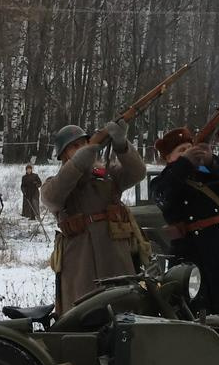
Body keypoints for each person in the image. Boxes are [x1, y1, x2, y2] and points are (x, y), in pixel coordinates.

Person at [150, 128, 219, 317]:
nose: (188, 153)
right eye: (181, 150)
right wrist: (183, 164)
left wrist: (211, 161)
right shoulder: (164, 180)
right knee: (197, 309)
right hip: (190, 253)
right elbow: (163, 196)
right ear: (168, 157)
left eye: (190, 148)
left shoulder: (207, 173)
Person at [43, 121, 148, 311]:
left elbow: (138, 172)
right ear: (64, 154)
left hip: (116, 259)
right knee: (84, 317)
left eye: (84, 143)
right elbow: (52, 198)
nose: (82, 148)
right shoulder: (56, 183)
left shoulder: (107, 175)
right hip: (81, 264)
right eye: (74, 146)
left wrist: (121, 144)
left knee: (124, 313)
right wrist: (78, 163)